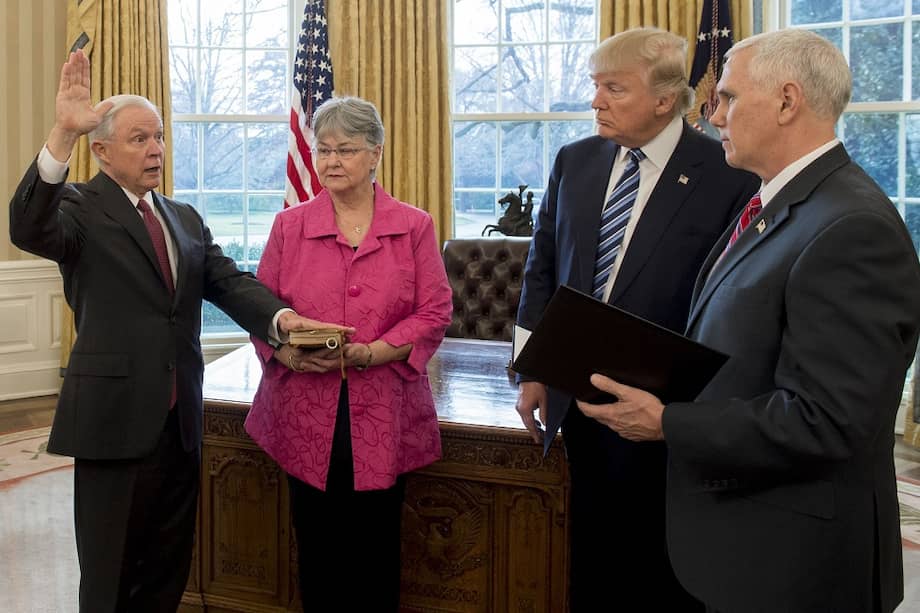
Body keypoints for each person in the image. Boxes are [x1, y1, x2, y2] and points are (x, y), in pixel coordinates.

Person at [578, 29, 920, 613]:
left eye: (729, 98)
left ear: (788, 102)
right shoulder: (781, 203)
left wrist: (668, 423)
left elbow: (827, 421)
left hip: (794, 561)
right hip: (744, 543)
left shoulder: (850, 227)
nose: (712, 116)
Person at [8, 49, 341, 613]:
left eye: (159, 136)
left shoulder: (183, 217)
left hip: (180, 422)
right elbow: (26, 225)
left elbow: (229, 282)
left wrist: (280, 320)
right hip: (113, 423)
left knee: (167, 569)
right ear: (101, 149)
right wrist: (61, 133)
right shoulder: (80, 207)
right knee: (111, 576)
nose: (156, 148)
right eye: (139, 139)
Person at [514, 27, 760, 611]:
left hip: (668, 415)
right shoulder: (575, 159)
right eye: (595, 86)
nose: (595, 101)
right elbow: (541, 269)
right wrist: (531, 369)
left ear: (664, 99)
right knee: (591, 563)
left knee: (659, 573)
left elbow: (730, 298)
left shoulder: (727, 171)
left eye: (613, 88)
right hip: (576, 399)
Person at [244, 96, 453, 612]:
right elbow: (260, 307)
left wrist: (372, 353)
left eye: (346, 150)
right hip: (304, 412)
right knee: (316, 550)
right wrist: (288, 355)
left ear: (376, 153)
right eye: (323, 150)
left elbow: (434, 311)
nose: (331, 161)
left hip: (385, 410)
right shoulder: (290, 225)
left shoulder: (414, 225)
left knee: (377, 549)